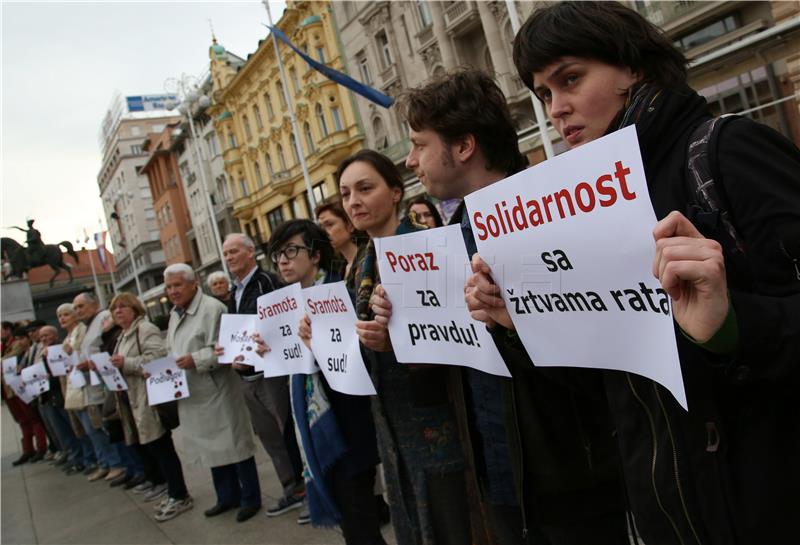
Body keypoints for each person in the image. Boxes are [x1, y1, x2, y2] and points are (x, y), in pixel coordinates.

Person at [466, 3, 800, 544]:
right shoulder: (583, 210)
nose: (557, 108)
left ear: (634, 69)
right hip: (666, 514)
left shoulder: (725, 151)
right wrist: (521, 324)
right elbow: (607, 386)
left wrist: (733, 326)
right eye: (544, 94)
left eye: (570, 79)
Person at [335, 149, 479, 545]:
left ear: (396, 191)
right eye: (346, 194)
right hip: (391, 429)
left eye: (365, 188)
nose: (354, 202)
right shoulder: (363, 261)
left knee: (453, 528)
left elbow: (464, 335)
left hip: (441, 428)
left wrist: (395, 342)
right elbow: (356, 339)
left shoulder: (429, 245)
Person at [272, 219, 386, 540]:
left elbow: (355, 360)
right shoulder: (287, 304)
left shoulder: (339, 292)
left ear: (315, 256)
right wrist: (265, 352)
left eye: (291, 251)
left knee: (360, 522)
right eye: (278, 254)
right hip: (322, 432)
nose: (283, 260)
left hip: (348, 430)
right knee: (354, 523)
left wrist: (317, 344)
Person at [164, 263, 261, 523]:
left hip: (217, 389)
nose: (173, 291)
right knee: (211, 448)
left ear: (193, 283)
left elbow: (225, 348)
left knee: (236, 445)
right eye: (169, 286)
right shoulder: (175, 314)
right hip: (194, 391)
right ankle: (226, 496)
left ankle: (251, 497)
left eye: (177, 285)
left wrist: (195, 358)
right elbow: (171, 348)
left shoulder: (212, 308)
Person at [220, 233, 306, 518]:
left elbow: (282, 325)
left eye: (234, 251)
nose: (229, 257)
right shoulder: (235, 291)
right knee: (269, 437)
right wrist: (230, 351)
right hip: (247, 377)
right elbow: (239, 330)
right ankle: (290, 488)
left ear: (249, 253)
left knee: (287, 431)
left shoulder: (267, 282)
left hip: (272, 373)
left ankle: (306, 490)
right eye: (226, 253)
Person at [108, 292, 192, 521]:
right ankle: (170, 489)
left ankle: (179, 494)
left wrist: (127, 363)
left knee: (162, 446)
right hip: (134, 399)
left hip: (150, 398)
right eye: (114, 308)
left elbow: (157, 357)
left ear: (134, 309)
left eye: (123, 307)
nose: (118, 311)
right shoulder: (123, 335)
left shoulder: (144, 329)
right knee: (153, 447)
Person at [72, 292, 128, 483]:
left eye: (81, 306)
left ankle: (121, 465)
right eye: (76, 308)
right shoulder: (85, 327)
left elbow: (107, 345)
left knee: (112, 426)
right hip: (94, 383)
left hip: (108, 382)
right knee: (101, 428)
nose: (78, 311)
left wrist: (93, 364)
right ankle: (116, 464)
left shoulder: (104, 318)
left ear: (94, 304)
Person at [3, 326, 48, 465]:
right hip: (10, 388)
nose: (20, 341)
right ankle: (28, 449)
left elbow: (6, 360)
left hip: (21, 387)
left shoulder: (17, 348)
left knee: (32, 418)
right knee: (23, 420)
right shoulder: (6, 345)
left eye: (22, 338)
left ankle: (41, 447)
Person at [315, 199, 367, 283]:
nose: (324, 233)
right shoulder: (339, 268)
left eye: (329, 225)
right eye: (321, 227)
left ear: (350, 225)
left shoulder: (370, 258)